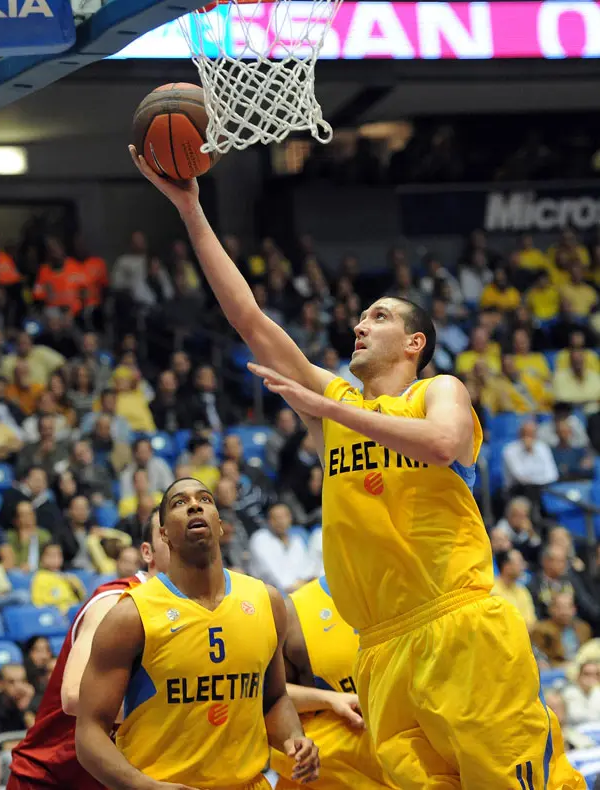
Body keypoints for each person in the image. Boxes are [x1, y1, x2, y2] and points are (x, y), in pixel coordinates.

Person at [131, 150, 582, 790]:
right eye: (361, 315)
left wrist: (326, 407)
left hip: (460, 624)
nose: (359, 324)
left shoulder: (436, 390)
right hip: (380, 646)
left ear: (414, 343)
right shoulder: (336, 407)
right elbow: (250, 320)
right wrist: (190, 209)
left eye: (379, 316)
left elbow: (445, 442)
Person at [75, 477, 319, 790]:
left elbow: (272, 699)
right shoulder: (131, 615)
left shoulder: (265, 601)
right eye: (179, 502)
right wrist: (141, 786)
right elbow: (88, 733)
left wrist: (294, 739)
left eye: (204, 499)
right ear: (163, 535)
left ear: (219, 524)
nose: (194, 505)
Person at [6, 509, 167, 790]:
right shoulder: (117, 601)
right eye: (167, 532)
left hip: (119, 778)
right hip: (53, 776)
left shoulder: (197, 615)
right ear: (148, 552)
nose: (180, 537)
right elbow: (73, 696)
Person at [272, 574, 392, 790]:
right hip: (342, 776)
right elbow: (266, 695)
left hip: (423, 771)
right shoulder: (294, 614)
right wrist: (329, 698)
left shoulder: (416, 590)